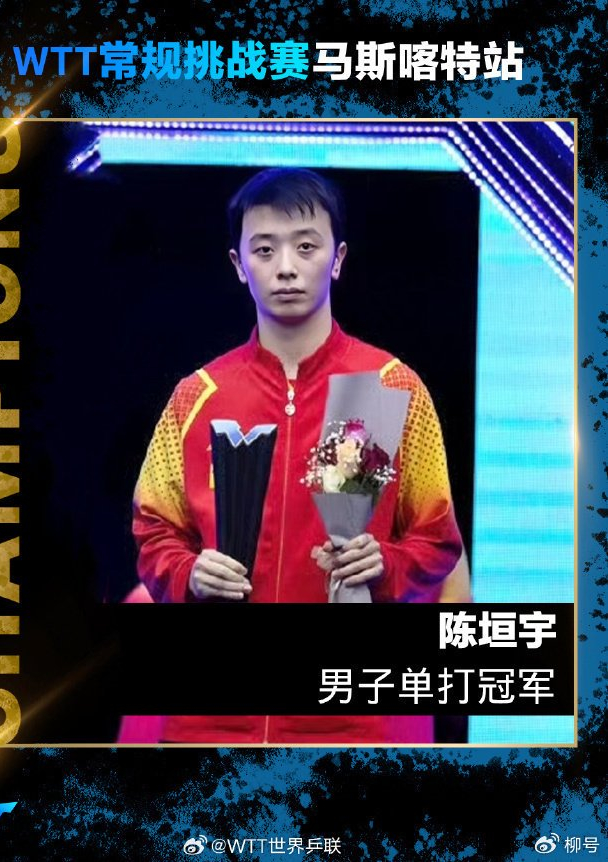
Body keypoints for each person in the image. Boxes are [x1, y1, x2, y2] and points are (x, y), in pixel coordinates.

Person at [131, 167, 464, 744]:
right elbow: (154, 531)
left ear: (337, 258)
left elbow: (436, 541)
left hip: (348, 723)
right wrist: (188, 573)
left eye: (306, 246)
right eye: (264, 249)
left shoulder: (384, 386)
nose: (286, 266)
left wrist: (386, 564)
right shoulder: (199, 395)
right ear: (239, 265)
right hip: (209, 724)